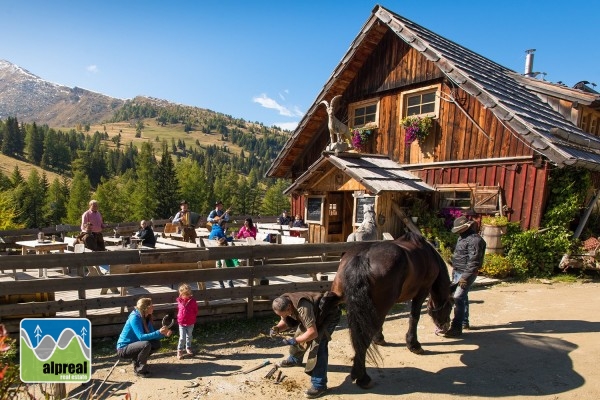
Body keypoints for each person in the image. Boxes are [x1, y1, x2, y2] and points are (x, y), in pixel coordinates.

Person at [270, 292, 341, 399]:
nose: (282, 317)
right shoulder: (284, 301)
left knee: (318, 347)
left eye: (283, 314)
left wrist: (294, 341)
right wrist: (277, 328)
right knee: (300, 333)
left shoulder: (303, 308)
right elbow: (284, 320)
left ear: (289, 307)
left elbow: (313, 333)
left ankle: (319, 385)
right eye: (280, 314)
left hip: (327, 316)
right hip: (314, 315)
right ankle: (295, 359)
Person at [444, 215, 486, 338]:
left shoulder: (475, 240)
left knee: (457, 298)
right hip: (458, 271)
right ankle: (464, 322)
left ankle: (456, 327)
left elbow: (474, 261)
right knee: (463, 297)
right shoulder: (462, 237)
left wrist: (465, 277)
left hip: (466, 273)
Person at [116, 297, 172, 377]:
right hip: (123, 348)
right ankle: (139, 370)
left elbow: (152, 334)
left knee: (156, 344)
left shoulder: (146, 317)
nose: (153, 307)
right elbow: (141, 337)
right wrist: (158, 332)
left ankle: (137, 361)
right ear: (146, 308)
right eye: (151, 306)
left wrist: (163, 334)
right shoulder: (134, 317)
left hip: (135, 345)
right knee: (146, 344)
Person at [176, 283, 198, 359]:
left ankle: (188, 347)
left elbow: (195, 310)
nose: (188, 296)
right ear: (181, 294)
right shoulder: (179, 301)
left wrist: (192, 317)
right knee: (182, 337)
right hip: (181, 323)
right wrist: (179, 317)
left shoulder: (193, 301)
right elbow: (179, 310)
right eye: (185, 294)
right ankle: (180, 350)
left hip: (190, 322)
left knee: (189, 336)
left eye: (189, 294)